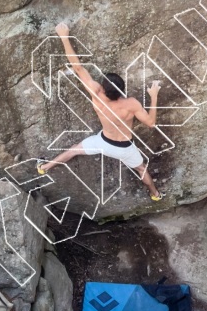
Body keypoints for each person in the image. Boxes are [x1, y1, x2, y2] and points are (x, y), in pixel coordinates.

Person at [36, 22, 166, 201]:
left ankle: (44, 168)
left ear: (103, 87)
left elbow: (78, 68)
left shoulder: (97, 95)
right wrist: (153, 95)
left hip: (103, 143)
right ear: (121, 90)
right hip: (125, 148)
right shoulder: (131, 104)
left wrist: (64, 37)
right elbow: (151, 123)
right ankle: (156, 194)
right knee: (142, 169)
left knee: (73, 150)